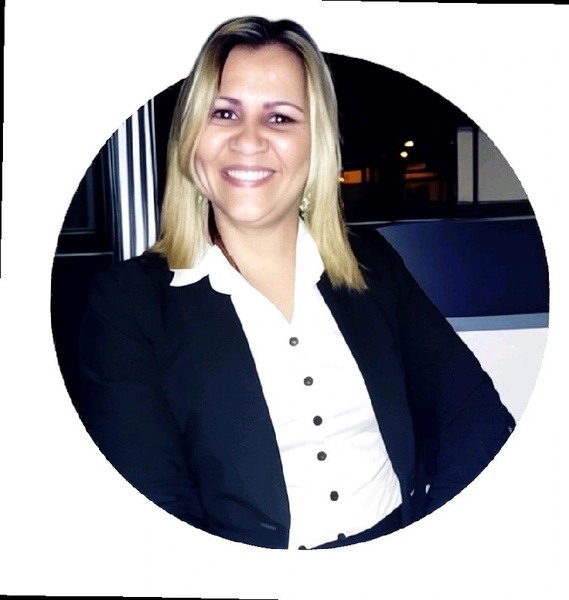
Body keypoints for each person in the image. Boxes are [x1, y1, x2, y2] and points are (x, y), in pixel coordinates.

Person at [77, 15, 515, 550]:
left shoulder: (371, 264)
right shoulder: (126, 305)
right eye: (224, 112)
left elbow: (474, 411)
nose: (249, 139)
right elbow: (154, 509)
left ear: (316, 147)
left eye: (280, 118)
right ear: (192, 141)